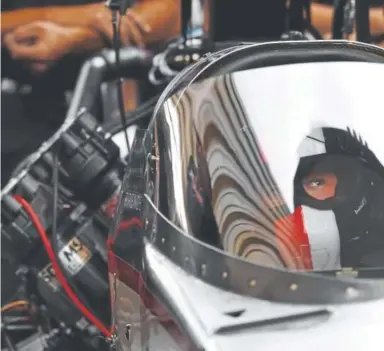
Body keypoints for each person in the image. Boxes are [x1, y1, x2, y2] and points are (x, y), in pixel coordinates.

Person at [1, 0, 180, 187]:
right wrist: (78, 16)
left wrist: (76, 38)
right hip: (16, 124)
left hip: (109, 125)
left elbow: (169, 15)